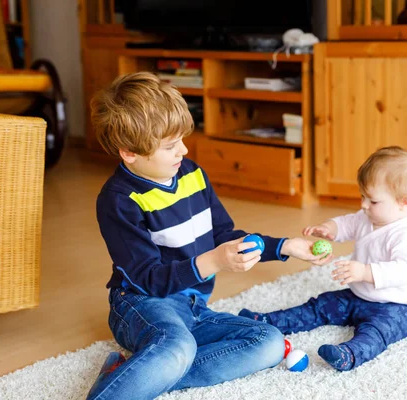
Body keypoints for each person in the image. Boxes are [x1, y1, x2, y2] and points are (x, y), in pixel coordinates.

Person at [86, 71, 330, 399]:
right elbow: (149, 279)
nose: (183, 150)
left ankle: (134, 375)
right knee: (178, 346)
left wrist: (286, 246)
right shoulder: (118, 200)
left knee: (268, 342)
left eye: (183, 139)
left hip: (193, 306)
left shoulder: (191, 174)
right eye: (171, 145)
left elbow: (223, 235)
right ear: (129, 151)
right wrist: (214, 261)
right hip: (142, 304)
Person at [239, 146, 407, 371]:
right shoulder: (366, 217)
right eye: (362, 197)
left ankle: (349, 354)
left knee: (377, 332)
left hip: (397, 307)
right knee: (320, 305)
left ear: (403, 202)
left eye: (373, 201)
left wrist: (364, 272)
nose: (364, 205)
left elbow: (404, 270)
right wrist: (327, 228)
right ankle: (268, 322)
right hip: (358, 296)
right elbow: (346, 224)